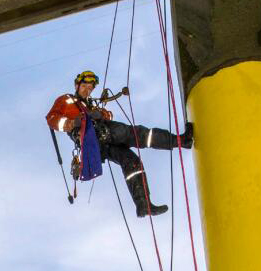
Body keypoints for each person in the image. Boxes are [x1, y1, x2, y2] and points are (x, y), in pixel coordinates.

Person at [45, 70, 192, 217]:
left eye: (90, 89)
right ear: (77, 85)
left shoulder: (90, 105)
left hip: (101, 137)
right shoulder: (66, 100)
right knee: (139, 135)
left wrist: (101, 114)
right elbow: (52, 118)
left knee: (131, 161)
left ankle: (143, 204)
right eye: (84, 86)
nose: (87, 91)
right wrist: (72, 122)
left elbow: (108, 115)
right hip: (94, 138)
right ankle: (181, 141)